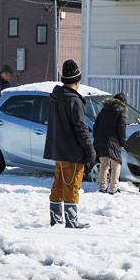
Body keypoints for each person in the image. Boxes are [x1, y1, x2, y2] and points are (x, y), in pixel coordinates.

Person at [44, 59, 96, 229]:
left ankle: (56, 218)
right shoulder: (73, 100)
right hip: (72, 150)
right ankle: (71, 221)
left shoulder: (55, 97)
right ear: (76, 81)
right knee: (72, 184)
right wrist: (89, 150)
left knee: (59, 182)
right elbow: (81, 127)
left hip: (58, 149)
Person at [93, 93, 128, 195]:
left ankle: (102, 188)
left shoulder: (104, 109)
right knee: (116, 164)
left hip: (101, 140)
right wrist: (122, 143)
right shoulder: (121, 110)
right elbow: (122, 128)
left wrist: (97, 138)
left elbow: (96, 126)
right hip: (114, 141)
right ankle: (113, 189)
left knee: (104, 165)